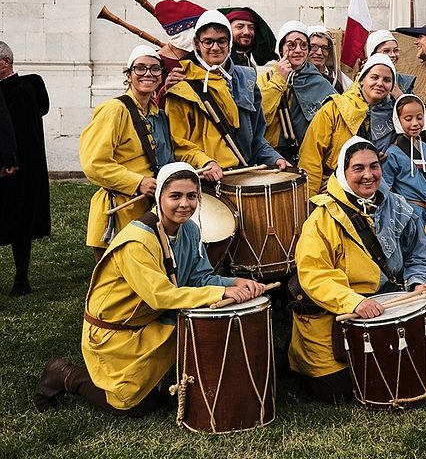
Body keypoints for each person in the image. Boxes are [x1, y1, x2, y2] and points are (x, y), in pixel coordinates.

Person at [33, 163, 267, 414]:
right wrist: (220, 293)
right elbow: (160, 296)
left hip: (150, 319)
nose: (184, 204)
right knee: (129, 405)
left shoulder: (188, 229)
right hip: (116, 332)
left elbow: (199, 278)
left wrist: (233, 283)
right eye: (175, 196)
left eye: (191, 196)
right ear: (159, 197)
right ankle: (63, 374)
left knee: (158, 391)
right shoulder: (137, 242)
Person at [289, 138, 426, 403]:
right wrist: (355, 302)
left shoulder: (399, 206)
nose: (368, 175)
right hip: (338, 312)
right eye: (358, 168)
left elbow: (419, 253)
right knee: (339, 391)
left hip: (387, 302)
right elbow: (314, 274)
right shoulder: (322, 219)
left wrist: (418, 284)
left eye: (374, 166)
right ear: (344, 172)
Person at [163, 11, 287, 183]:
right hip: (202, 181)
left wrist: (274, 158)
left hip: (243, 173)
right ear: (197, 44)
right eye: (208, 41)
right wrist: (206, 162)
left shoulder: (247, 80)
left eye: (221, 41)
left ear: (229, 44)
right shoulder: (181, 85)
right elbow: (177, 143)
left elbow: (256, 138)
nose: (215, 48)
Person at [80, 47, 176, 263]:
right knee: (116, 286)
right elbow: (94, 163)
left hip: (148, 208)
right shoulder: (114, 110)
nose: (148, 74)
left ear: (161, 76)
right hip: (118, 210)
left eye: (154, 69)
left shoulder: (158, 115)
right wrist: (138, 181)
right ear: (129, 75)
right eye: (140, 68)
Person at [298, 53, 398, 194]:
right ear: (362, 79)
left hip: (374, 188)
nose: (380, 83)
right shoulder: (335, 108)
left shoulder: (394, 116)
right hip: (330, 189)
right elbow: (311, 155)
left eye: (387, 80)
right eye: (374, 77)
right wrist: (311, 196)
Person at [0, 41, 50, 296]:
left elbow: (41, 107)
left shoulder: (28, 87)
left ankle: (21, 278)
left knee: (21, 222)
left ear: (5, 62)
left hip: (23, 168)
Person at [258, 21, 336, 161]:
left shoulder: (319, 82)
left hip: (307, 156)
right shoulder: (265, 79)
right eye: (292, 45)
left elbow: (335, 120)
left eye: (304, 45)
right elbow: (259, 117)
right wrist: (279, 80)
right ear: (280, 48)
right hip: (270, 155)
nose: (298, 50)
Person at [382, 94, 426, 228]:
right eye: (408, 119)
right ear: (397, 120)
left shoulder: (425, 148)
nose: (415, 123)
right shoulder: (392, 153)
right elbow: (386, 190)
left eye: (419, 117)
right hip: (409, 215)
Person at [363, 29, 417, 94]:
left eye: (396, 50)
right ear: (373, 55)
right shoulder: (363, 82)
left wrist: (399, 95)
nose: (393, 55)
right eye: (386, 51)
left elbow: (413, 103)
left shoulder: (403, 82)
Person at [307, 26, 352, 94]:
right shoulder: (294, 76)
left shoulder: (338, 78)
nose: (319, 52)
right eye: (313, 46)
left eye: (324, 48)